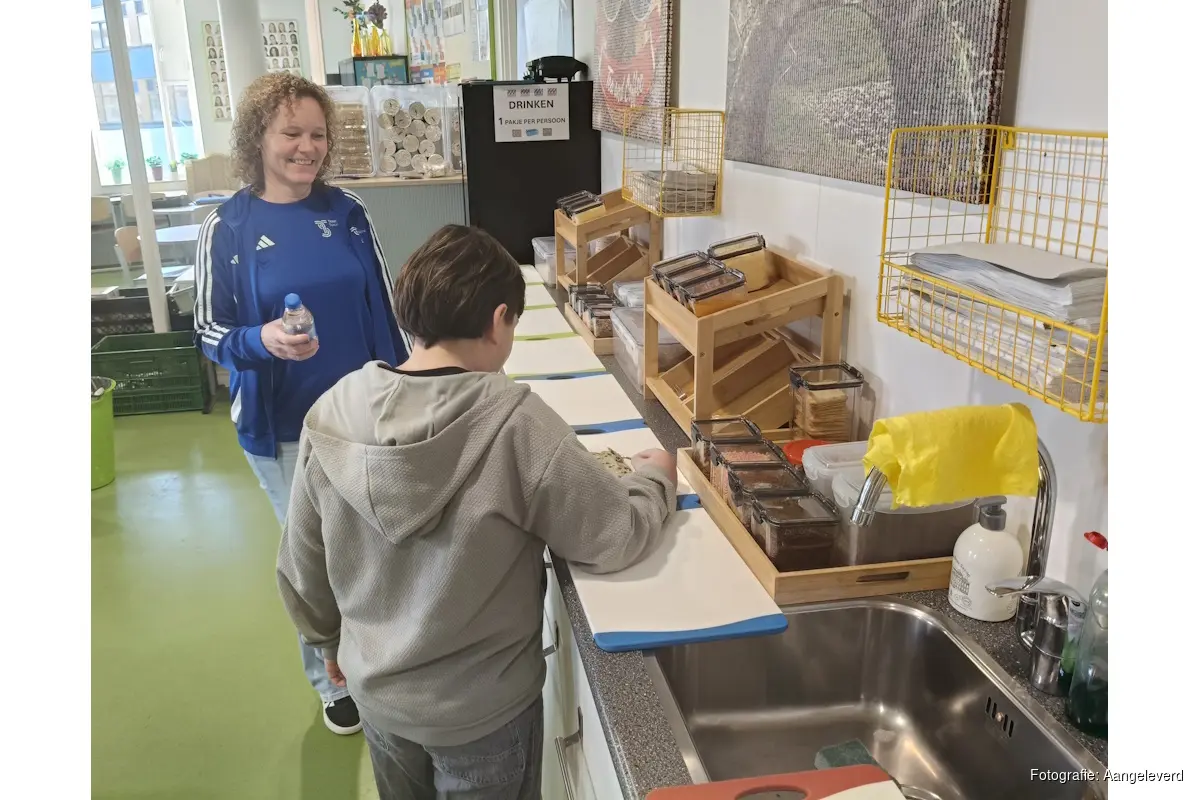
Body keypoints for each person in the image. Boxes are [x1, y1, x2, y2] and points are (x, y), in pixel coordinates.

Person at [276, 224, 676, 799]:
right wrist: (653, 478)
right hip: (485, 713)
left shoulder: (331, 411)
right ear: (498, 320)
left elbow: (301, 559)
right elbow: (614, 535)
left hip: (380, 698)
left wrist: (324, 638)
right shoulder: (515, 421)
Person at [193, 72, 410, 737]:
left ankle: (382, 660)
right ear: (258, 137)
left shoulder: (348, 213)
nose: (306, 147)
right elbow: (208, 331)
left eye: (317, 134)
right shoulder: (228, 226)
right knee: (314, 560)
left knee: (377, 544)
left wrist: (407, 389)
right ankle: (331, 679)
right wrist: (260, 340)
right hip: (284, 428)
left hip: (364, 418)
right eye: (291, 133)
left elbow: (385, 311)